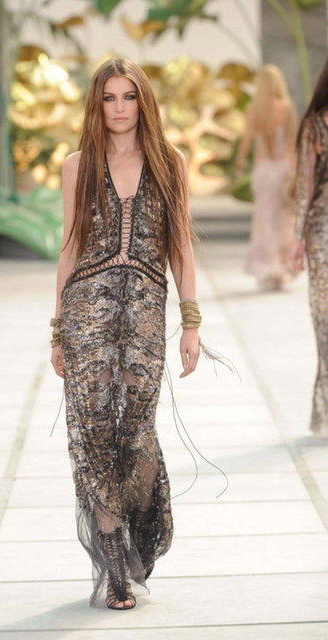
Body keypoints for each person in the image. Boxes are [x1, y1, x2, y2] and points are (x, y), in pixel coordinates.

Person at [50, 58, 203, 610]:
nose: (119, 108)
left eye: (129, 96)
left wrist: (191, 322)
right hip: (87, 311)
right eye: (110, 97)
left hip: (144, 311)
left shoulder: (169, 163)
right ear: (97, 104)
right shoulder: (78, 166)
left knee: (136, 431)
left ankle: (141, 527)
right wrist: (57, 330)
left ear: (144, 102)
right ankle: (114, 562)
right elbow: (70, 246)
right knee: (93, 432)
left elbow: (180, 245)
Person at [236, 64, 298, 290]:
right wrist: (295, 170)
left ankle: (268, 267)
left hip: (263, 170)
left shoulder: (254, 108)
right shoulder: (287, 107)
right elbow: (292, 142)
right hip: (283, 168)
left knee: (264, 219)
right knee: (283, 219)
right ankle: (281, 266)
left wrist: (240, 162)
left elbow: (247, 139)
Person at [292, 57, 328, 437]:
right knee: (324, 318)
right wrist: (296, 237)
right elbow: (304, 184)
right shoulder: (315, 125)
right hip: (321, 230)